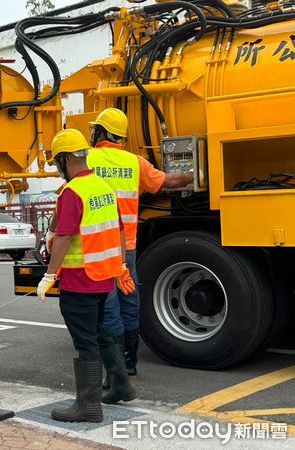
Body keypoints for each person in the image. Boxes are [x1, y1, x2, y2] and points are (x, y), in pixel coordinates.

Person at [87, 107, 194, 380]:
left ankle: (111, 364)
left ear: (101, 133)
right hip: (127, 246)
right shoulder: (135, 163)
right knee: (128, 299)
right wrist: (200, 173)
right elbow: (169, 182)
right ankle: (129, 361)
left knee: (103, 304)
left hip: (95, 244)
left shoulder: (86, 158)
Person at [37, 129, 136, 423]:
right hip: (104, 278)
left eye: (57, 162)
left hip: (80, 281)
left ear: (65, 159)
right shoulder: (103, 187)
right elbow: (119, 230)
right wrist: (120, 267)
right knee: (103, 332)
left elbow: (65, 237)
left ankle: (88, 405)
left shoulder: (72, 192)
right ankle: (120, 384)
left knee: (85, 342)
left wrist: (49, 274)